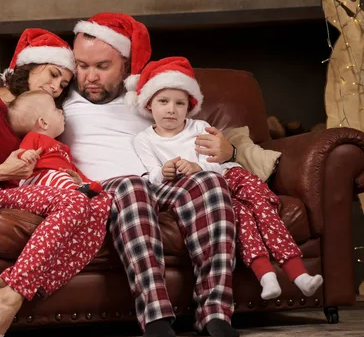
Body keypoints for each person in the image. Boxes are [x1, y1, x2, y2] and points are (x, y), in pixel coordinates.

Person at [0, 13, 240, 337]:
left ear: (126, 64)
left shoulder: (148, 96)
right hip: (114, 190)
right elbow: (0, 94)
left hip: (166, 178)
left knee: (212, 185)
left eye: (102, 66)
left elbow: (191, 130)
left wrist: (229, 151)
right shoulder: (59, 98)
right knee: (132, 185)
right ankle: (156, 314)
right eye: (82, 66)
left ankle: (214, 311)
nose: (89, 77)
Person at [0, 29, 112, 337]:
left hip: (26, 191)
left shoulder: (34, 119)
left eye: (63, 84)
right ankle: (10, 295)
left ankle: (8, 285)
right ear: (30, 65)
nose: (55, 86)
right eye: (52, 74)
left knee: (102, 204)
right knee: (75, 200)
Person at [128, 56, 324, 301]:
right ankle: (266, 276)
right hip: (207, 195)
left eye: (180, 103)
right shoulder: (144, 140)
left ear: (189, 107)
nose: (171, 109)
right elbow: (152, 174)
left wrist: (195, 166)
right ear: (149, 105)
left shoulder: (199, 128)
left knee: (261, 207)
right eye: (163, 101)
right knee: (241, 218)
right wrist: (165, 171)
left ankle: (299, 274)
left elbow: (216, 161)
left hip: (229, 175)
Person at [9, 90, 103, 197]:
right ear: (43, 123)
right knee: (59, 177)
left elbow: (73, 169)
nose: (61, 111)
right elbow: (21, 154)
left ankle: (84, 193)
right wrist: (26, 156)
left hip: (60, 183)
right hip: (37, 180)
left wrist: (87, 182)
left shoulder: (62, 147)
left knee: (97, 193)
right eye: (55, 109)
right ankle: (78, 193)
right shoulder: (34, 137)